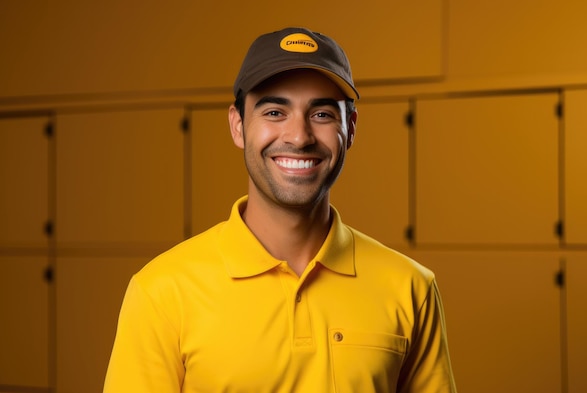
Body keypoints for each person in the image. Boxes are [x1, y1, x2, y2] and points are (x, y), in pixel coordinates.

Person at [104, 27, 456, 393]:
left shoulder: (411, 288)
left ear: (350, 129)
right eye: (274, 112)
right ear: (238, 126)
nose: (299, 136)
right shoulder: (162, 292)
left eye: (321, 114)